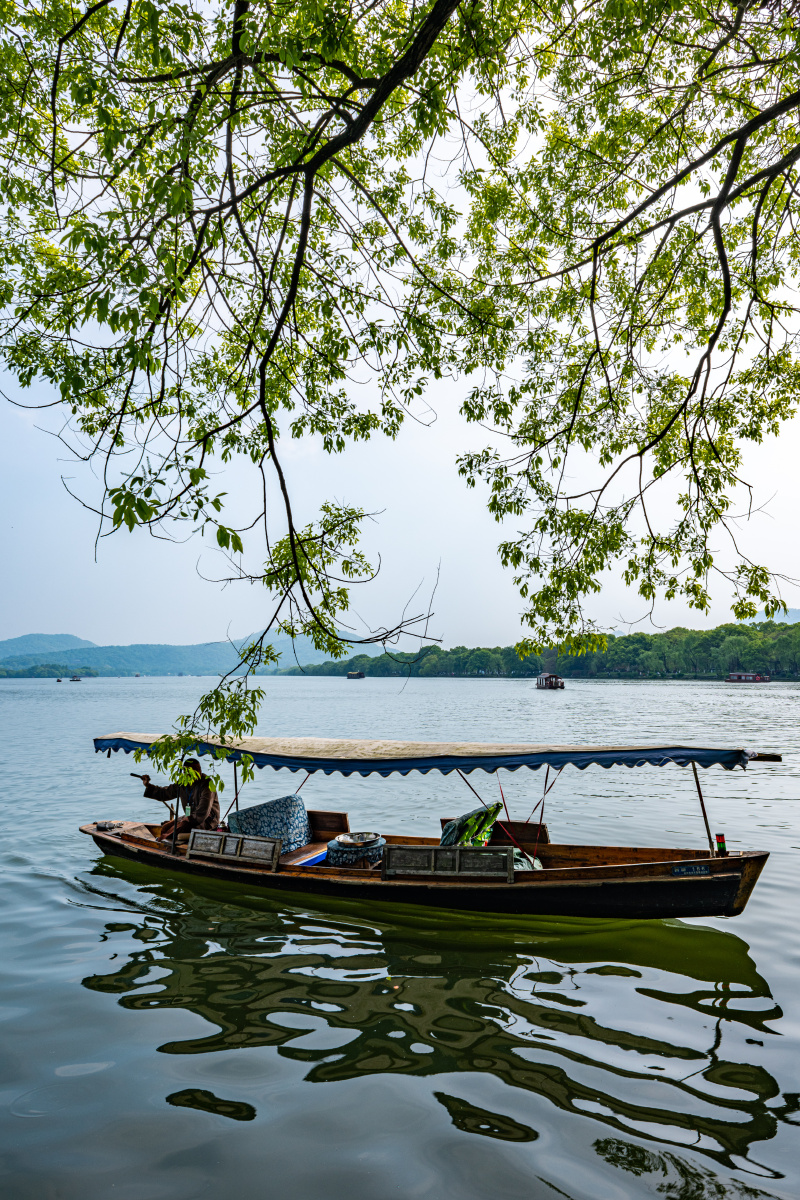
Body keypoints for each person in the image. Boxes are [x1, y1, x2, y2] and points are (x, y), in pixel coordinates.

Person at [139, 759, 220, 843]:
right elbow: (165, 792)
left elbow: (203, 811)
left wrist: (186, 820)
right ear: (185, 772)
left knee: (178, 828)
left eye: (199, 769)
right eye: (194, 770)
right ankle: (163, 840)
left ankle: (161, 841)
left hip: (207, 822)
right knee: (165, 827)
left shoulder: (207, 784)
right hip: (189, 817)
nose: (198, 772)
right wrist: (148, 785)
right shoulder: (182, 783)